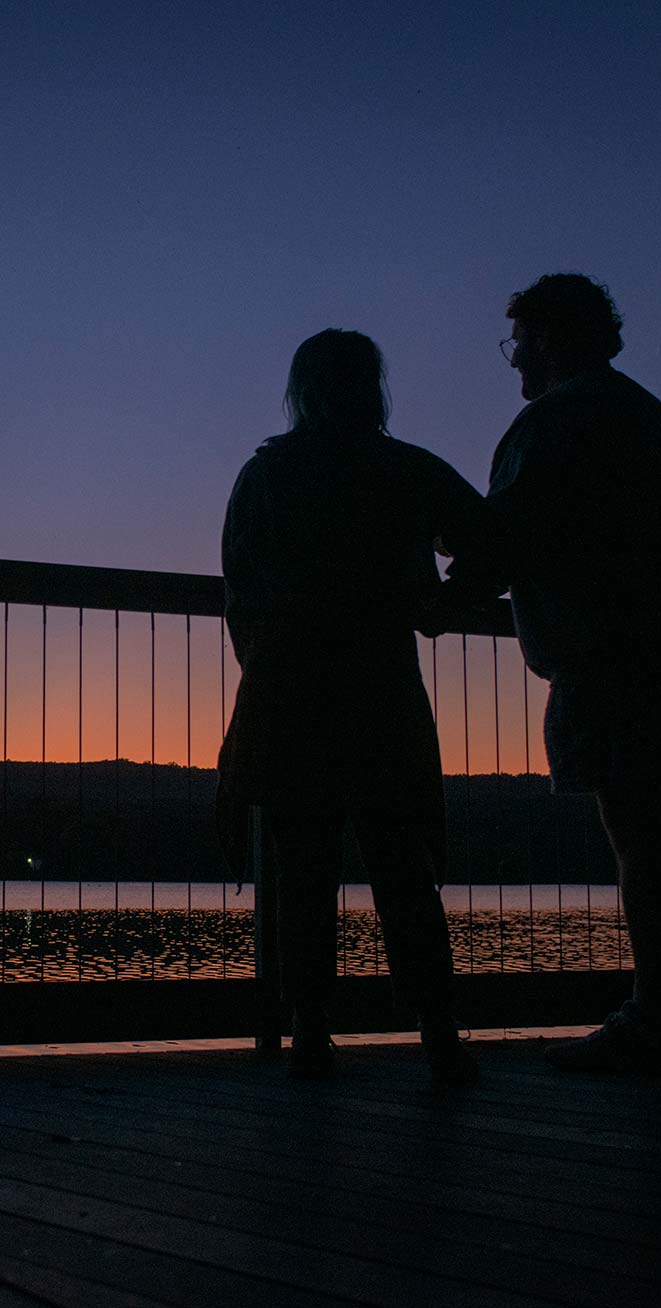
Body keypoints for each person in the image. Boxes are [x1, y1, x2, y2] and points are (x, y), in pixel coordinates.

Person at [218, 329, 488, 1086]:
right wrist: (441, 603)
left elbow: (241, 589)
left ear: (302, 391)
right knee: (404, 869)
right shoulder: (404, 470)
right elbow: (489, 539)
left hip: (293, 697)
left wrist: (268, 664)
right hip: (383, 696)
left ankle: (309, 1031)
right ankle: (439, 1035)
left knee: (303, 872)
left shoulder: (268, 476)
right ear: (374, 387)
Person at [484, 274, 661, 1074]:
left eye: (518, 342)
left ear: (547, 339)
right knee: (659, 834)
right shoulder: (644, 413)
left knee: (638, 832)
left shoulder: (556, 420)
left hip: (612, 662)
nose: (513, 360)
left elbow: (498, 538)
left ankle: (658, 1014)